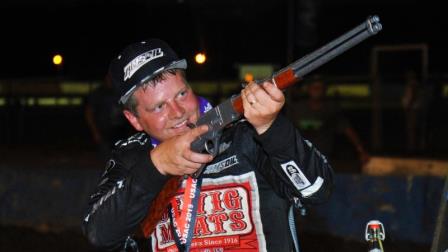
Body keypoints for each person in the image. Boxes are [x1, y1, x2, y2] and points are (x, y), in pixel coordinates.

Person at [82, 38, 334, 252]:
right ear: (134, 119)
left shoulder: (244, 132)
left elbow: (318, 190)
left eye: (181, 94)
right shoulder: (133, 155)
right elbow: (99, 233)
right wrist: (156, 165)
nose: (178, 112)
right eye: (159, 106)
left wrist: (272, 128)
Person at [287, 76, 370, 167]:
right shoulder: (297, 109)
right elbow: (285, 131)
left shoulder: (331, 110)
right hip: (298, 158)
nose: (316, 90)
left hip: (323, 159)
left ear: (324, 90)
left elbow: (347, 129)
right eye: (314, 87)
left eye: (319, 88)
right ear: (308, 89)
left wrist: (361, 151)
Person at [85, 74, 130, 162]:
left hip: (120, 131)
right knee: (105, 159)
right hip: (104, 131)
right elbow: (89, 113)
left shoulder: (120, 92)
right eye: (109, 78)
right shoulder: (98, 93)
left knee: (123, 158)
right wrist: (95, 131)